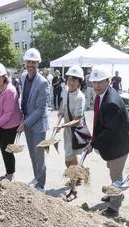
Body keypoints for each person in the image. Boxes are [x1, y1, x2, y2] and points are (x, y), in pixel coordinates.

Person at [86, 65, 129, 217]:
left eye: (100, 82)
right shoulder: (102, 95)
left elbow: (109, 131)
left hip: (119, 144)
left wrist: (93, 144)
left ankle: (114, 208)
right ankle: (115, 194)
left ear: (108, 81)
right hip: (113, 142)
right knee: (112, 170)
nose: (96, 86)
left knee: (116, 175)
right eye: (94, 82)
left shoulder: (111, 102)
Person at [18, 48, 49, 192]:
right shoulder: (24, 77)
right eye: (28, 61)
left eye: (33, 62)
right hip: (27, 122)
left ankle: (41, 184)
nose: (30, 64)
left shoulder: (43, 82)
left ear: (38, 64)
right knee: (32, 154)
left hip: (38, 125)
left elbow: (40, 108)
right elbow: (24, 99)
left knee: (39, 155)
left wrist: (26, 122)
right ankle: (36, 177)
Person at [54, 66, 86, 201]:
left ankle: (73, 191)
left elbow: (78, 119)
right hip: (67, 130)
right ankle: (79, 176)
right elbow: (63, 106)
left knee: (68, 162)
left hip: (75, 131)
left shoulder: (80, 97)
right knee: (72, 157)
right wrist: (61, 113)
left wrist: (63, 125)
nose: (71, 82)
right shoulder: (66, 91)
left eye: (75, 80)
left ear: (80, 82)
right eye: (69, 79)